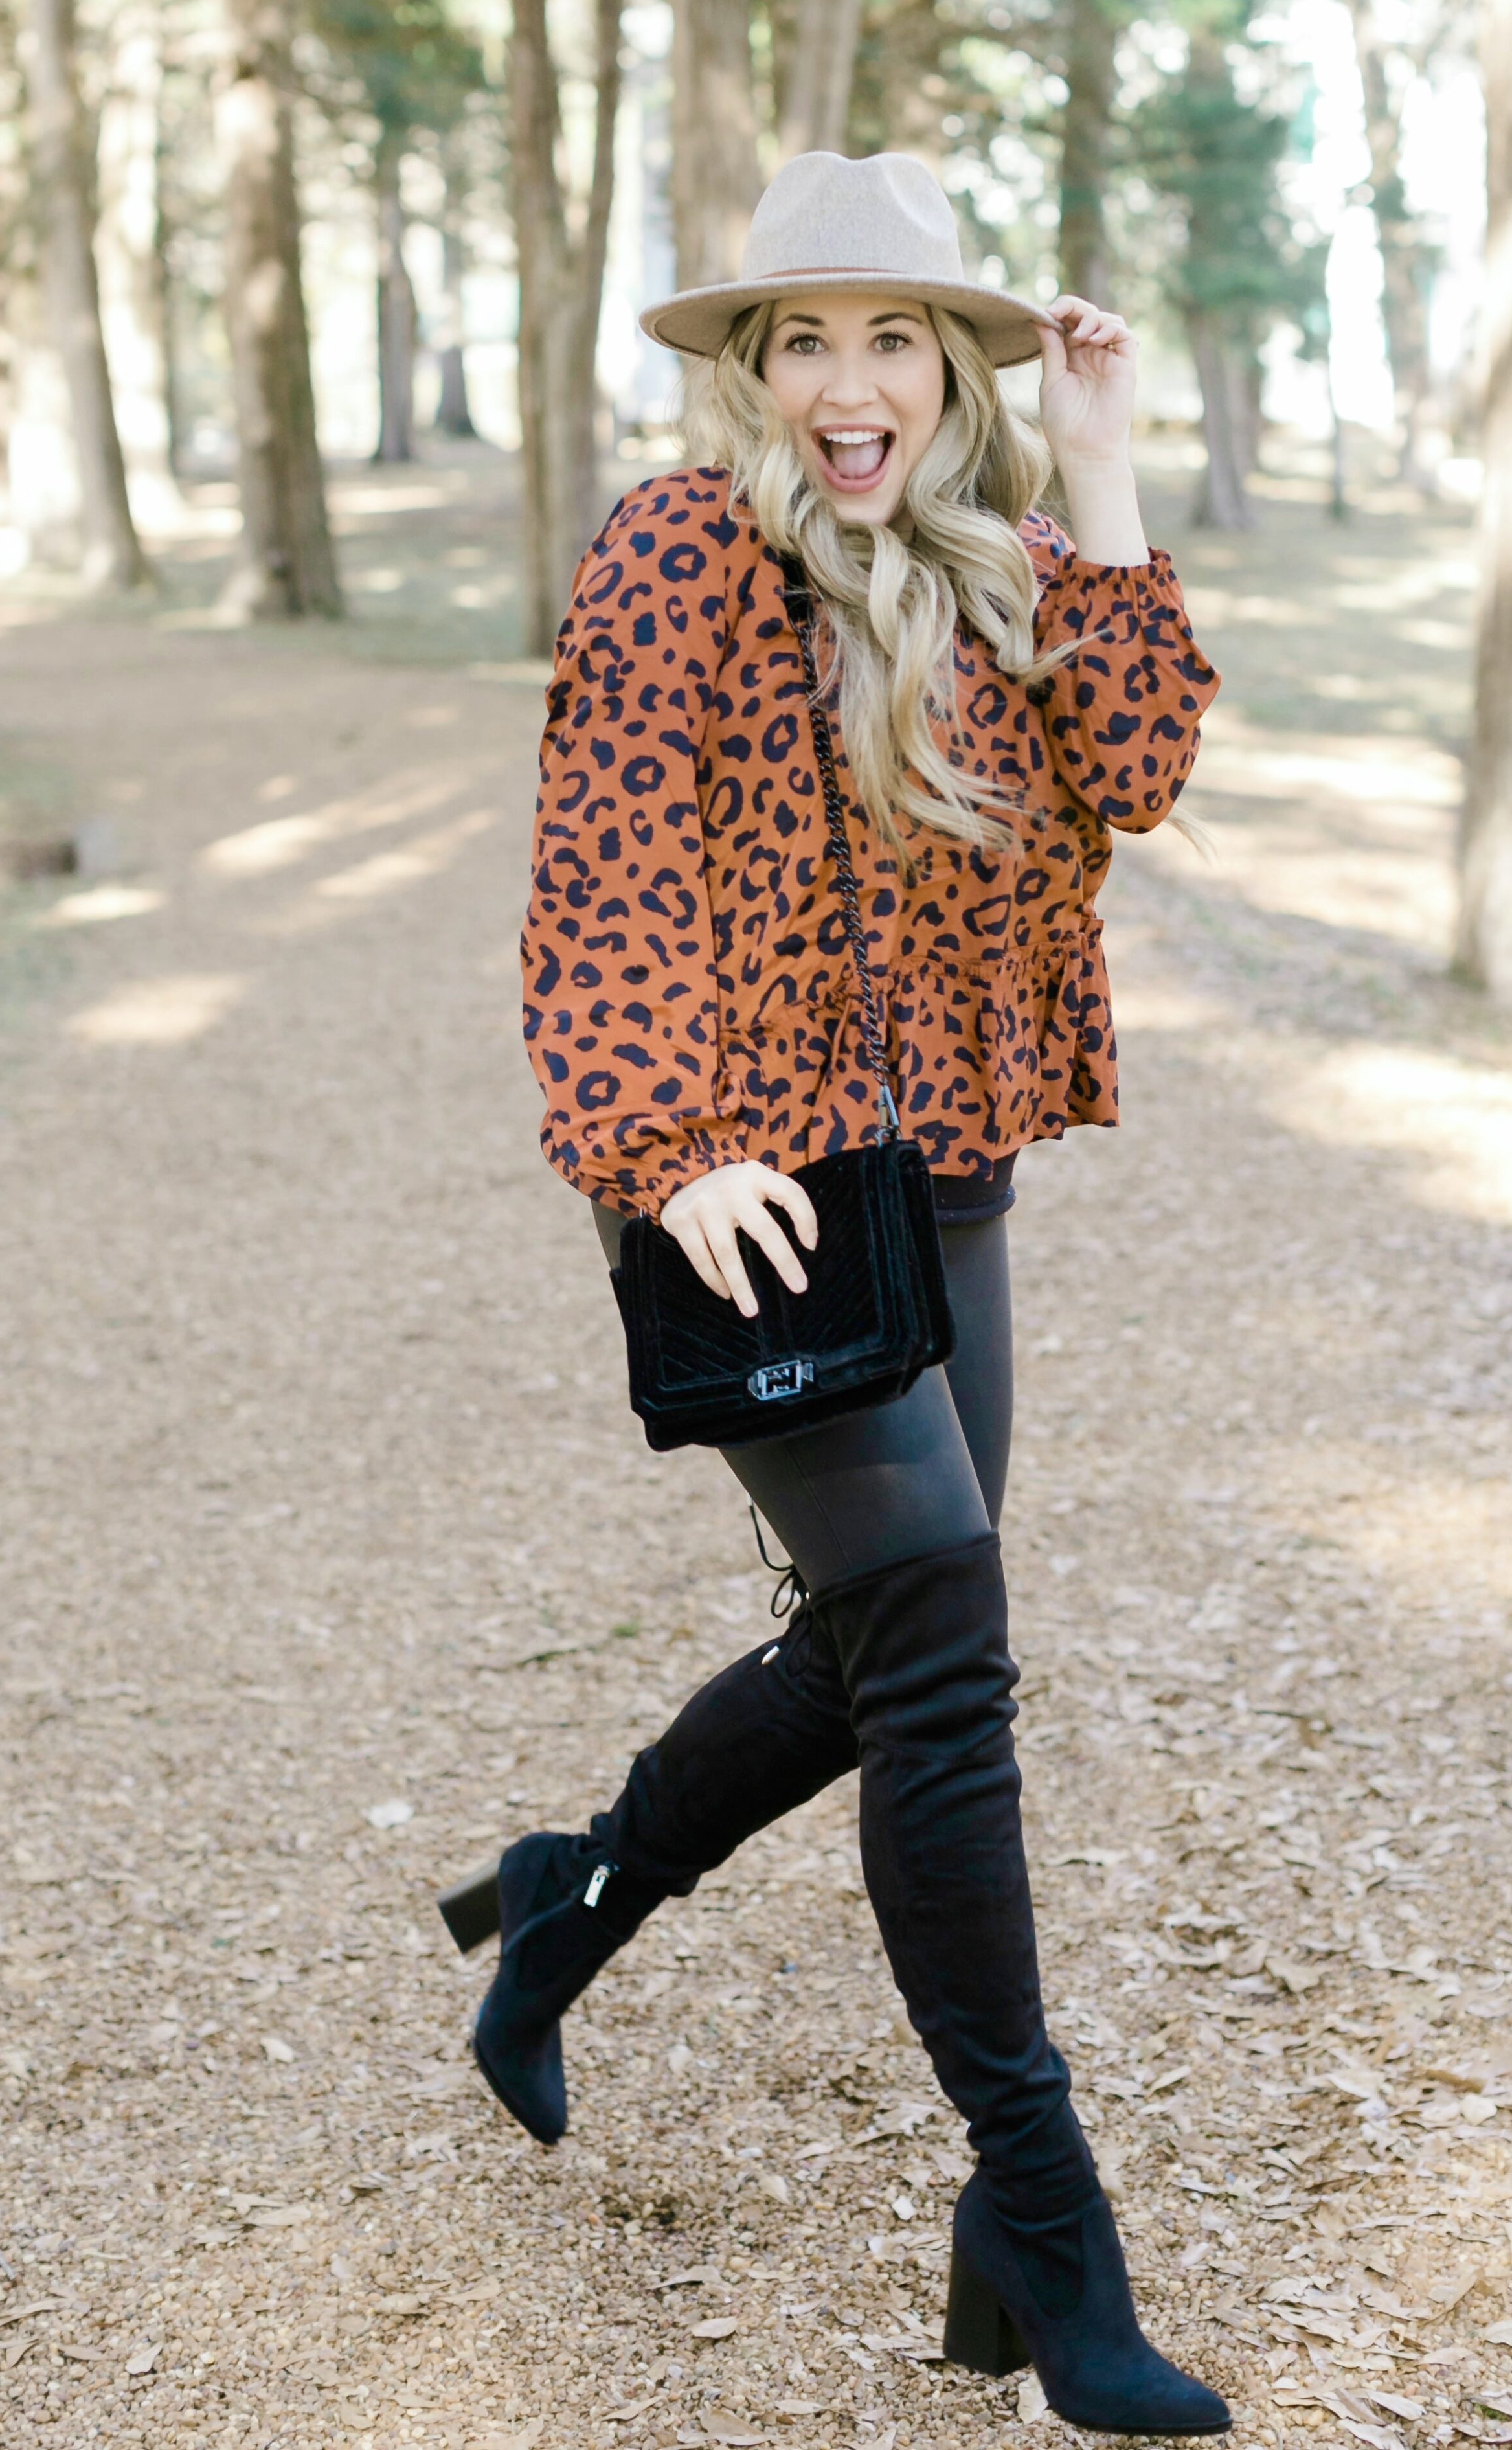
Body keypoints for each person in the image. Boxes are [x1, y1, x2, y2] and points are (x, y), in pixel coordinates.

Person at [479, 150, 1225, 2434]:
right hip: (751, 1185)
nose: (845, 383)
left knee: (887, 1643)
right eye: (798, 341)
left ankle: (571, 1894)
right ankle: (1047, 2214)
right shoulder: (683, 548)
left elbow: (1146, 768)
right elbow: (599, 870)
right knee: (952, 1670)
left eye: (892, 336)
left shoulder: (993, 571)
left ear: (952, 369)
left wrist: (1101, 474)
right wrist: (668, 1141)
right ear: (746, 372)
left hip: (951, 1179)